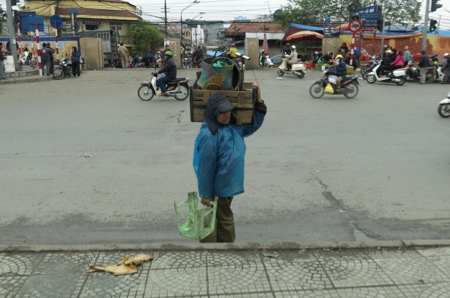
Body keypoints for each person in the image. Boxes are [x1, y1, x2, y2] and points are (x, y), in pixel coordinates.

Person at [193, 82, 267, 243]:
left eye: (228, 112)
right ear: (213, 113)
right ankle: (225, 251)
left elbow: (252, 126)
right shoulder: (210, 135)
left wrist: (259, 100)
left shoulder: (230, 128)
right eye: (222, 113)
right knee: (225, 219)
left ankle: (218, 248)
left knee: (221, 216)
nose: (227, 115)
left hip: (227, 186)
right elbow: (206, 168)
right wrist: (206, 194)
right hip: (219, 188)